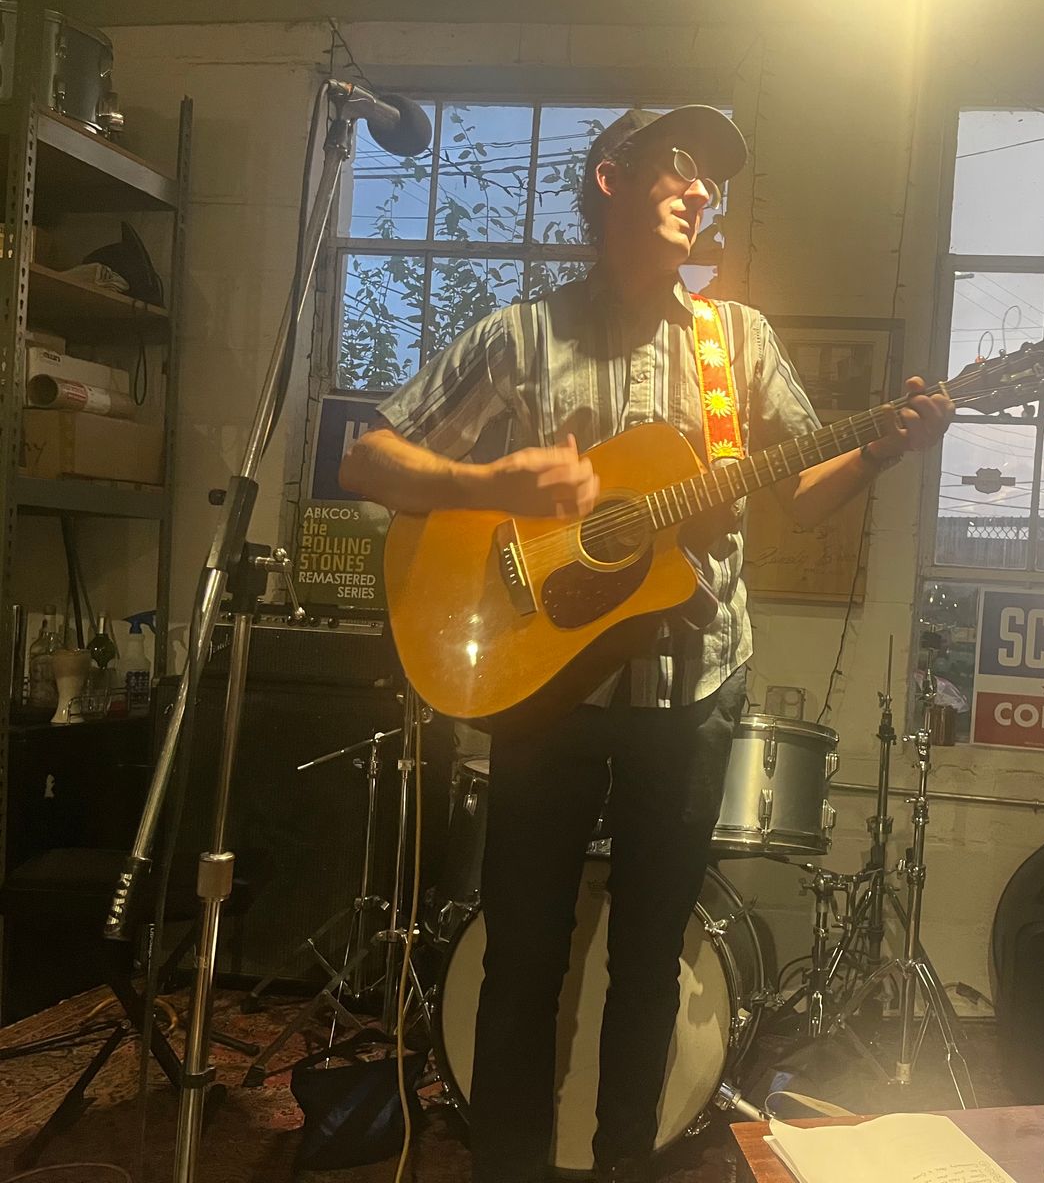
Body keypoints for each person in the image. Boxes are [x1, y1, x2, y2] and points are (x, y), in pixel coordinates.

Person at [339, 105, 953, 1183]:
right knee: (522, 954)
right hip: (542, 690)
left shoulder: (736, 339)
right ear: (611, 179)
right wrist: (492, 484)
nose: (702, 192)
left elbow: (802, 491)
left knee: (651, 959)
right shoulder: (518, 335)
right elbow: (366, 459)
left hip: (691, 691)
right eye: (680, 167)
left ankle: (625, 1166)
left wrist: (883, 449)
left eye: (713, 180)